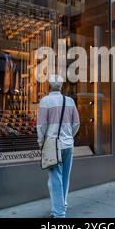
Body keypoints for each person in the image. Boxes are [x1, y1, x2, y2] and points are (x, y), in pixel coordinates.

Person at [37, 75, 80, 218]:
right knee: (65, 177)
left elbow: (41, 126)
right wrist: (69, 136)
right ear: (61, 86)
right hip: (68, 144)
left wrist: (41, 142)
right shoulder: (70, 101)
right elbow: (76, 123)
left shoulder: (45, 101)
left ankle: (59, 213)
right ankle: (63, 204)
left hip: (53, 145)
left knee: (55, 178)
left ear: (49, 85)